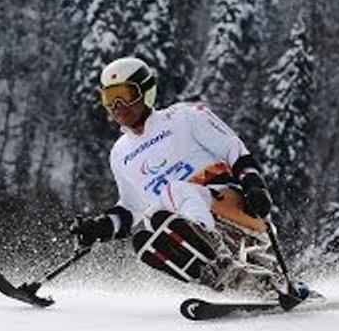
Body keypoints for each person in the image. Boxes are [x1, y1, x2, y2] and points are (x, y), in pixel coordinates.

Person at [70, 55, 297, 298]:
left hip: (233, 207)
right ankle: (239, 281)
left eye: (124, 95)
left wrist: (255, 186)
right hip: (183, 219)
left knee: (171, 194)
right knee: (146, 238)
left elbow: (233, 148)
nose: (117, 105)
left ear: (146, 92)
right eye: (108, 98)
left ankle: (219, 253)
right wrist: (100, 227)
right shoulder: (120, 153)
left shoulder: (183, 117)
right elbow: (131, 207)